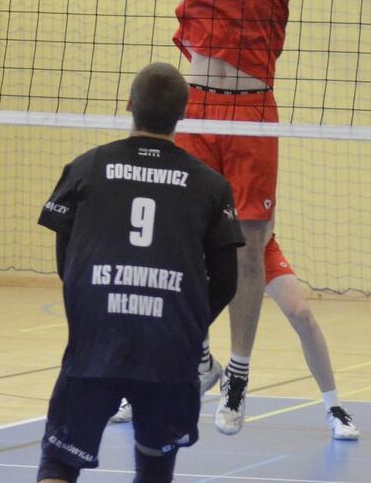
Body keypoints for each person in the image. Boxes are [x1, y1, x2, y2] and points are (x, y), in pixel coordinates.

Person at [114, 0, 321, 434]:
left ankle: (237, 375)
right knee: (177, 239)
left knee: (249, 249)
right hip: (196, 110)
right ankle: (188, 357)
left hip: (253, 112)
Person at [36, 63, 244, 483]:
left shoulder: (85, 167)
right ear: (184, 113)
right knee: (154, 469)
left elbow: (67, 262)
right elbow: (226, 281)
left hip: (96, 342)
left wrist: (99, 303)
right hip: (169, 349)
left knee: (59, 464)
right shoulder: (211, 185)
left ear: (129, 104)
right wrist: (184, 320)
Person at [258, 237, 361, 440]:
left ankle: (334, 408)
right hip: (217, 246)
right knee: (196, 308)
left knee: (302, 316)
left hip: (259, 247)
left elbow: (267, 225)